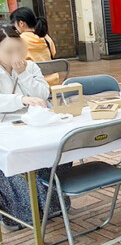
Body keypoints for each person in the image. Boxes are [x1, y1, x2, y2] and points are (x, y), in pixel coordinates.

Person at [0, 25, 70, 231]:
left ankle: (54, 204)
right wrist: (20, 99)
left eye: (18, 49)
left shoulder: (30, 67)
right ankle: (17, 214)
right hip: (6, 126)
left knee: (60, 148)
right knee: (17, 160)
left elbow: (42, 94)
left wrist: (23, 75)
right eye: (8, 51)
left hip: (34, 123)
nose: (16, 55)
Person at [10, 7, 58, 86]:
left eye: (15, 24)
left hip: (33, 84)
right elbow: (53, 54)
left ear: (21, 23)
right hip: (53, 82)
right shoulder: (46, 37)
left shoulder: (19, 40)